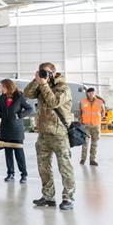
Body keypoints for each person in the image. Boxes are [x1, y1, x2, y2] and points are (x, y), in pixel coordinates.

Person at [24, 63, 76, 210]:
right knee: (43, 168)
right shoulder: (41, 86)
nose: (43, 75)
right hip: (43, 134)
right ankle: (48, 196)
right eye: (41, 72)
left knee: (65, 168)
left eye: (46, 72)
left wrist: (44, 84)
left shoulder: (63, 88)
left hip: (59, 134)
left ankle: (68, 198)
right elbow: (27, 94)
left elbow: (54, 102)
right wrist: (36, 81)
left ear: (53, 73)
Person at [0, 79, 32, 183]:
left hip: (16, 130)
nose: (0, 88)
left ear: (7, 87)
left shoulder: (19, 97)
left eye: (2, 86)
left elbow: (29, 109)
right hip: (5, 129)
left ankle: (24, 174)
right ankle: (10, 173)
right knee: (8, 153)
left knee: (19, 153)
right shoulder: (2, 98)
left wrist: (19, 115)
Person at [79, 88, 105, 166]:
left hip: (95, 125)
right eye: (89, 93)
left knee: (94, 143)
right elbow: (80, 112)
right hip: (86, 125)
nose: (91, 94)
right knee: (85, 143)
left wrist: (99, 119)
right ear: (87, 93)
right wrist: (81, 121)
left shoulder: (100, 102)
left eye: (92, 92)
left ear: (94, 93)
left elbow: (103, 111)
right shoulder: (82, 101)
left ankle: (92, 160)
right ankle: (83, 159)